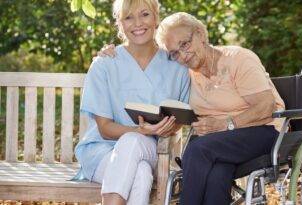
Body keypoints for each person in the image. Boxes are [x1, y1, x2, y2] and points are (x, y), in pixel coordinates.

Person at [99, 12, 285, 205]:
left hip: (264, 132)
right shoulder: (186, 73)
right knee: (217, 175)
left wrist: (225, 124)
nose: (183, 56)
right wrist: (114, 52)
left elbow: (266, 106)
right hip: (220, 144)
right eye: (175, 53)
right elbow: (147, 54)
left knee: (197, 149)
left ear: (201, 34)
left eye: (185, 44)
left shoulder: (239, 59)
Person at [74, 1, 190, 205]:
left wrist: (168, 128)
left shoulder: (177, 65)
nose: (138, 23)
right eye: (128, 17)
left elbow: (182, 115)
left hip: (152, 149)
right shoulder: (105, 64)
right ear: (120, 23)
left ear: (155, 18)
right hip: (101, 152)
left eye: (144, 14)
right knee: (141, 174)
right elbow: (104, 129)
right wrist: (141, 130)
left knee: (132, 142)